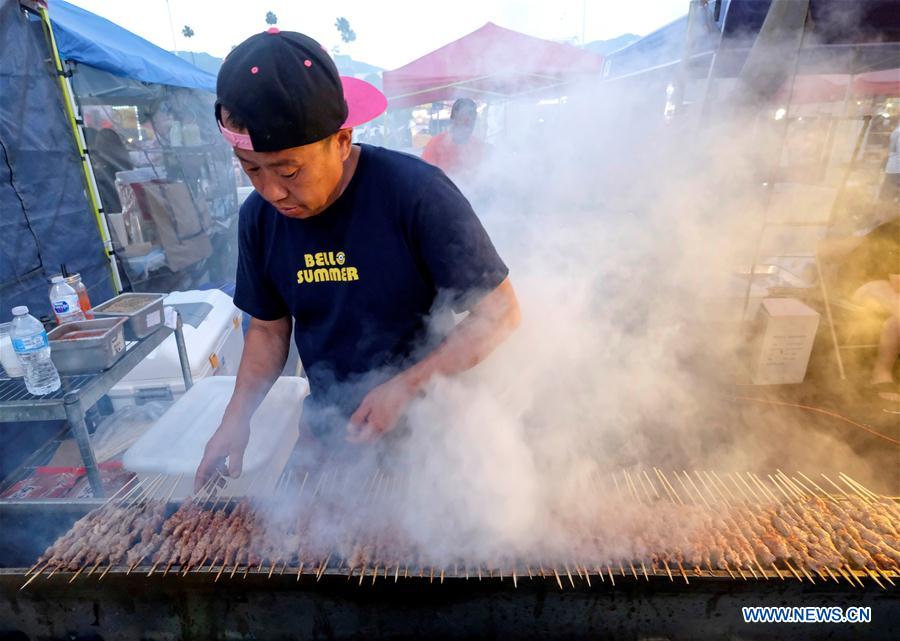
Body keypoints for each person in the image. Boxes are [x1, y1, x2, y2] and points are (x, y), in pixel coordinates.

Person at [194, 31, 520, 490]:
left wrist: (406, 386)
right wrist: (237, 416)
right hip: (332, 435)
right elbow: (268, 329)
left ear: (342, 141)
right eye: (251, 169)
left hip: (434, 434)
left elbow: (501, 313)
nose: (272, 192)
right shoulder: (258, 219)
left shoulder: (417, 195)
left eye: (289, 171)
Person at [820, 209, 900, 403]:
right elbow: (897, 284)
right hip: (862, 281)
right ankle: (881, 373)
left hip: (888, 284)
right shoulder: (895, 232)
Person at [422, 98, 489, 179]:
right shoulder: (435, 144)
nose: (467, 128)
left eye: (471, 122)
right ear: (452, 121)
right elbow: (424, 177)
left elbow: (484, 175)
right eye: (463, 121)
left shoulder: (477, 146)